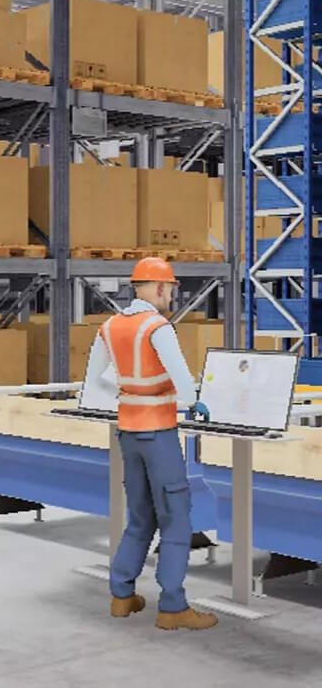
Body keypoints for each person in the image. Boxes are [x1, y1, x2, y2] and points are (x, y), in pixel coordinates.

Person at [83, 257, 218, 631]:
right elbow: (187, 389)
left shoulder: (109, 327)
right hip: (159, 433)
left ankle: (122, 596)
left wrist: (132, 391)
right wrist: (189, 401)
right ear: (159, 288)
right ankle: (173, 606)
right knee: (176, 518)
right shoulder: (158, 327)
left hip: (128, 432)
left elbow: (95, 382)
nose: (172, 297)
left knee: (140, 517)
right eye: (172, 290)